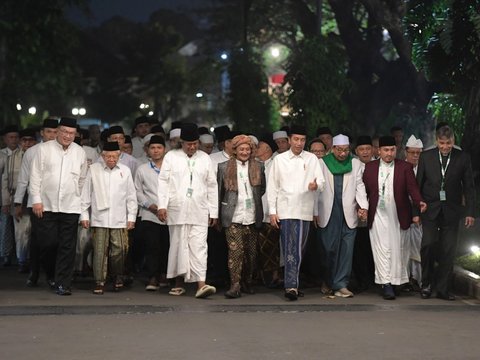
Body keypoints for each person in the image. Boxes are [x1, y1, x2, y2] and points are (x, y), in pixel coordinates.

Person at [157, 123, 218, 298]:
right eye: (188, 144)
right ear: (181, 143)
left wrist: (213, 212)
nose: (191, 147)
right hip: (177, 209)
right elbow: (163, 182)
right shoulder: (171, 157)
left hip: (200, 210)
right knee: (178, 245)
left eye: (194, 143)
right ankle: (178, 282)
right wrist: (162, 205)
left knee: (199, 246)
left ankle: (201, 284)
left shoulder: (205, 159)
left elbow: (212, 186)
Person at [29, 117, 88, 295]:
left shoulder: (80, 152)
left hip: (71, 206)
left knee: (67, 246)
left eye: (71, 133)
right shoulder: (43, 149)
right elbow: (35, 176)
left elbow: (83, 180)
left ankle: (63, 283)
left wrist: (80, 203)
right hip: (46, 206)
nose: (68, 136)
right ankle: (51, 273)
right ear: (58, 131)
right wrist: (36, 200)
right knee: (48, 243)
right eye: (64, 132)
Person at [362, 136, 426, 300]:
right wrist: (361, 208)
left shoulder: (405, 167)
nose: (389, 153)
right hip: (377, 215)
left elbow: (413, 188)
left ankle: (396, 281)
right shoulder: (370, 168)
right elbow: (364, 192)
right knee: (381, 250)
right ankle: (386, 284)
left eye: (392, 150)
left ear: (396, 150)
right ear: (379, 151)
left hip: (399, 214)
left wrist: (419, 202)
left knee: (398, 250)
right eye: (385, 150)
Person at [417, 125, 476, 301]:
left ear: (453, 141)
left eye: (448, 143)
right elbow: (418, 184)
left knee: (448, 249)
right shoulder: (426, 157)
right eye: (442, 143)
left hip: (451, 210)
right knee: (427, 245)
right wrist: (416, 210)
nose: (445, 147)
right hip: (429, 209)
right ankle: (426, 284)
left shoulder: (462, 158)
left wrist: (470, 212)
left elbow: (469, 187)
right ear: (436, 141)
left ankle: (443, 288)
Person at [267, 124, 325, 300]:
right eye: (296, 139)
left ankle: (292, 283)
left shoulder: (312, 159)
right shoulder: (279, 160)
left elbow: (321, 182)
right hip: (285, 210)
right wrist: (272, 211)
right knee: (289, 248)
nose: (299, 143)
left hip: (304, 210)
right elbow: (273, 187)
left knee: (299, 249)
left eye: (302, 140)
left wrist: (316, 185)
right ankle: (291, 286)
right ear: (289, 140)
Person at [315, 134, 368, 298]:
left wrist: (363, 207)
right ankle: (328, 280)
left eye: (346, 150)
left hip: (348, 212)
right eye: (340, 150)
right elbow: (316, 188)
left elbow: (360, 186)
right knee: (329, 249)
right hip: (328, 213)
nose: (343, 154)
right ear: (333, 149)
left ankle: (341, 284)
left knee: (346, 250)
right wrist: (314, 212)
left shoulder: (356, 163)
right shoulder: (322, 163)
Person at [80, 141, 137, 294]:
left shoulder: (125, 170)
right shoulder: (94, 169)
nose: (111, 159)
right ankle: (100, 282)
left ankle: (117, 274)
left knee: (120, 250)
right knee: (99, 251)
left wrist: (131, 217)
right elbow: (85, 194)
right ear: (102, 156)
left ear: (119, 156)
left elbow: (131, 196)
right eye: (108, 156)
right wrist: (84, 215)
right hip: (99, 218)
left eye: (114, 156)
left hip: (119, 218)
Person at [217, 135, 266, 298]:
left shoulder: (259, 166)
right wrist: (217, 216)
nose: (245, 152)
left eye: (248, 149)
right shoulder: (223, 167)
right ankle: (235, 284)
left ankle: (247, 281)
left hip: (252, 216)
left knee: (251, 254)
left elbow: (262, 189)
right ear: (235, 150)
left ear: (252, 150)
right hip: (233, 216)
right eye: (241, 149)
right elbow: (219, 192)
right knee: (235, 252)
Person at [13, 118, 58, 286]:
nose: (52, 135)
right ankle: (35, 272)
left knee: (53, 242)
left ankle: (51, 273)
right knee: (38, 239)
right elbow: (23, 180)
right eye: (49, 132)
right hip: (36, 203)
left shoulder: (64, 150)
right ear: (42, 133)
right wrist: (18, 203)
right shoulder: (32, 152)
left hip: (58, 204)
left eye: (55, 132)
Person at [134, 135, 170, 291]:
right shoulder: (142, 169)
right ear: (148, 150)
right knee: (152, 246)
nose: (156, 151)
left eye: (159, 147)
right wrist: (150, 205)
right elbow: (137, 191)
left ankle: (164, 273)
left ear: (164, 150)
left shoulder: (171, 168)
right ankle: (153, 276)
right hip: (150, 214)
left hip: (170, 213)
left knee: (167, 245)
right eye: (153, 148)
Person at [2, 128, 37, 273]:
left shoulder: (41, 155)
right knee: (22, 233)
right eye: (24, 140)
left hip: (39, 201)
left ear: (35, 141)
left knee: (38, 234)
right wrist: (11, 202)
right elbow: (6, 181)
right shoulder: (13, 158)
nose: (27, 143)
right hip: (20, 200)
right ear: (20, 142)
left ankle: (35, 261)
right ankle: (23, 261)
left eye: (30, 140)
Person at [255, 134, 282, 288]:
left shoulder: (277, 163)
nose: (256, 149)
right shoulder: (255, 164)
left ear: (267, 149)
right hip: (257, 212)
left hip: (273, 212)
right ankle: (259, 276)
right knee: (258, 246)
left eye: (259, 146)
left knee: (273, 246)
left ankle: (275, 275)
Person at [351, 136, 375, 292]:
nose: (365, 152)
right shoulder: (353, 166)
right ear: (356, 151)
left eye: (368, 148)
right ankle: (361, 280)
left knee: (374, 247)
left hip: (376, 214)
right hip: (356, 214)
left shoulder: (379, 165)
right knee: (359, 248)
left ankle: (375, 279)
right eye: (361, 149)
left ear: (372, 150)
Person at [404, 135, 424, 289]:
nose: (415, 156)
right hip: (403, 215)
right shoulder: (401, 168)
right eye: (413, 153)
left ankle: (418, 278)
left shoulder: (425, 169)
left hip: (420, 216)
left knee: (418, 247)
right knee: (404, 249)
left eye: (418, 153)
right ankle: (405, 279)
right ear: (406, 152)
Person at [0, 125, 19, 266]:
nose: (13, 140)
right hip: (3, 195)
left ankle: (20, 256)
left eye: (15, 137)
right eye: (10, 137)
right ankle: (5, 254)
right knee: (5, 224)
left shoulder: (22, 154)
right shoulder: (1, 154)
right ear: (5, 139)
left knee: (19, 226)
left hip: (18, 195)